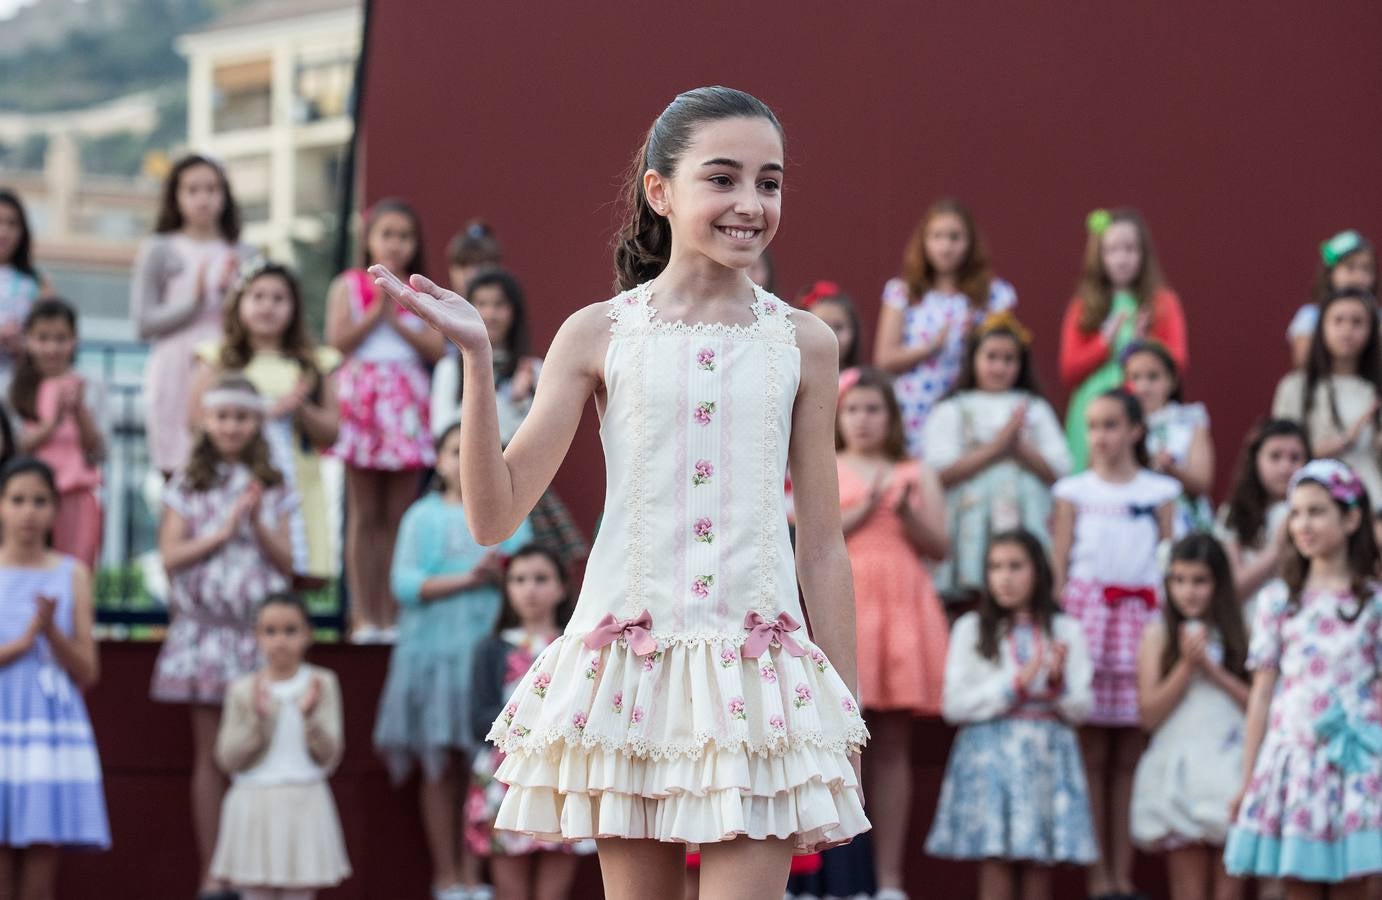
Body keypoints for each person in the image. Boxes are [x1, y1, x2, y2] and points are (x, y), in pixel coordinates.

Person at [371, 85, 868, 900]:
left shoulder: (805, 343)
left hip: (761, 682)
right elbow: (494, 518)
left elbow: (821, 543)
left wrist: (843, 708)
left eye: (769, 182)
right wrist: (476, 361)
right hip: (629, 675)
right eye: (724, 178)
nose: (751, 203)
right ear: (659, 191)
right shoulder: (598, 333)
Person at [150, 375, 296, 899]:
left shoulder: (272, 482)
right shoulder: (186, 483)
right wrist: (222, 529)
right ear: (206, 422)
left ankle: (252, 868)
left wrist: (256, 523)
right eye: (223, 416)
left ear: (257, 422)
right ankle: (214, 871)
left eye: (242, 416)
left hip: (255, 637)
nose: (232, 426)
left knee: (255, 751)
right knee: (210, 754)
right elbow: (170, 556)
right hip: (204, 634)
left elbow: (286, 561)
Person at [374, 422, 532, 900]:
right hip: (431, 659)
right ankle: (446, 876)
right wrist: (468, 578)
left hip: (488, 663)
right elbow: (404, 585)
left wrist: (499, 574)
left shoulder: (510, 512)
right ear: (439, 460)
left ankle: (474, 873)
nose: (461, 458)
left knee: (480, 766)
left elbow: (525, 571)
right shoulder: (420, 518)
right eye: (453, 450)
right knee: (439, 767)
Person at [1225, 459, 1382, 896]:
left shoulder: (1373, 603)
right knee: (1299, 883)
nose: (1303, 524)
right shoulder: (1278, 601)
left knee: (1357, 882)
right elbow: (1261, 695)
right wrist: (1248, 778)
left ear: (1351, 518)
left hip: (1357, 763)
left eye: (1317, 511)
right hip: (1295, 760)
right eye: (1295, 513)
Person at [1052, 389, 1179, 900]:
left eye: (1111, 425)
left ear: (1135, 430)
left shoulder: (1160, 491)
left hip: (1141, 625)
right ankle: (1097, 877)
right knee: (1091, 755)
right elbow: (1060, 564)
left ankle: (1123, 879)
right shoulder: (1073, 491)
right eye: (1093, 426)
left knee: (1128, 753)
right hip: (1088, 622)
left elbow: (1170, 562)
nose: (1100, 437)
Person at [925, 530, 1096, 900]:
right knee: (996, 857)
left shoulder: (1067, 630)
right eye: (995, 567)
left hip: (1047, 756)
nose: (1004, 577)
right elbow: (954, 705)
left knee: (1038, 861)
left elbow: (1082, 708)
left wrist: (1056, 685)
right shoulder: (971, 629)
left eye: (1015, 566)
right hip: (990, 759)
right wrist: (1012, 686)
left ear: (1038, 571)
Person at [835, 366, 948, 897]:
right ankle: (840, 875)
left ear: (893, 417)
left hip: (902, 606)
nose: (862, 419)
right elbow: (811, 536)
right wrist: (865, 506)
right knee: (839, 735)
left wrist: (906, 513)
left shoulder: (915, 470)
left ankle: (889, 880)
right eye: (853, 408)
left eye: (874, 409)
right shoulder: (825, 465)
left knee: (894, 742)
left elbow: (942, 546)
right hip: (847, 603)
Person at [326, 198, 445, 642]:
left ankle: (393, 616)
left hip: (405, 403)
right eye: (387, 234)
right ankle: (363, 615)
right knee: (363, 514)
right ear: (370, 238)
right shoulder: (348, 285)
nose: (395, 244)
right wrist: (376, 310)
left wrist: (396, 314)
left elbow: (435, 348)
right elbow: (338, 340)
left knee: (397, 514)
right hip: (363, 401)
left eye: (404, 236)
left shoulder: (420, 290)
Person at [187, 261, 341, 588]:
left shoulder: (313, 363)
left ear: (294, 307)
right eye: (258, 296)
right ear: (239, 303)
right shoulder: (217, 359)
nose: (267, 306)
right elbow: (196, 421)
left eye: (278, 298)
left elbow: (332, 432)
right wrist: (264, 413)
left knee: (291, 568)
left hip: (294, 481)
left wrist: (301, 408)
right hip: (233, 482)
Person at [0, 457, 109, 898]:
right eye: (18, 500)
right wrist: (23, 643)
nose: (29, 511)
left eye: (40, 501)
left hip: (49, 727)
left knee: (42, 849)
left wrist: (51, 634)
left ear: (56, 509)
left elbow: (89, 669)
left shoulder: (73, 574)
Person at [428, 270, 587, 569]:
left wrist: (518, 401)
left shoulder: (533, 369)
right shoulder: (450, 369)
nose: (490, 313)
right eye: (482, 303)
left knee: (527, 569)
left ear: (514, 312)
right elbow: (442, 427)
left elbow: (545, 437)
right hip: (465, 479)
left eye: (500, 304)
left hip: (518, 482)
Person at [468, 545, 593, 900]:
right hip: (503, 774)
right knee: (510, 890)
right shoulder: (491, 649)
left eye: (541, 579)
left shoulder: (579, 647)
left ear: (562, 588)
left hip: (560, 773)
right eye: (519, 580)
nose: (530, 589)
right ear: (507, 588)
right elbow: (477, 719)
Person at [1130, 534, 1250, 900]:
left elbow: (1260, 704)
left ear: (1218, 583)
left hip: (1231, 767)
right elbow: (1148, 714)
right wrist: (1185, 666)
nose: (1189, 592)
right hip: (1180, 773)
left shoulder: (1243, 633)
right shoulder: (1156, 636)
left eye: (1199, 581)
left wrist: (1214, 671)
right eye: (1179, 580)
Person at [210, 594, 350, 900]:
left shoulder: (322, 684)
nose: (280, 640)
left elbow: (330, 753)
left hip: (305, 801)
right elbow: (227, 758)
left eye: (290, 630)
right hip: (253, 803)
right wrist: (259, 721)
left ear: (307, 634)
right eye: (270, 631)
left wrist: (310, 718)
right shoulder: (242, 690)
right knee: (255, 891)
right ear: (257, 636)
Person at [923, 311, 1070, 594]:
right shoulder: (952, 408)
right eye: (991, 357)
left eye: (1008, 359)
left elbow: (1059, 472)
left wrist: (1020, 449)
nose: (1000, 367)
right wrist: (997, 448)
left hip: (1025, 518)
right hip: (967, 523)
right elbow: (937, 474)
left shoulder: (1034, 407)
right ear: (974, 359)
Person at [131, 154, 259, 477]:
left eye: (212, 189)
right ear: (176, 196)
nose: (203, 198)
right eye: (193, 190)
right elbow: (143, 323)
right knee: (177, 471)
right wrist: (197, 300)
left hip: (228, 365)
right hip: (175, 367)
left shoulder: (245, 254)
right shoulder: (159, 248)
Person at [874, 199, 1018, 456]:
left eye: (955, 237)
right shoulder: (904, 292)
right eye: (937, 236)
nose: (946, 246)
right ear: (924, 242)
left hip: (967, 405)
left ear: (970, 243)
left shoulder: (993, 295)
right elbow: (884, 358)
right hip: (913, 408)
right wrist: (931, 347)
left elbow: (1005, 351)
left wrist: (976, 337)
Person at [1059, 208, 1187, 472]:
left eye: (1130, 249)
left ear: (1143, 254)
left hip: (1143, 406)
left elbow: (1177, 360)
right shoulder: (1084, 305)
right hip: (1092, 407)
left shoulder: (1162, 302)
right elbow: (1068, 369)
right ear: (1099, 256)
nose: (1122, 259)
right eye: (1112, 250)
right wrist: (1104, 344)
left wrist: (1143, 349)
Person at [10, 300, 105, 568]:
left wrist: (79, 413)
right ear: (28, 340)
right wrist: (52, 424)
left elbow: (98, 451)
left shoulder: (91, 385)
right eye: (42, 338)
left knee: (74, 575)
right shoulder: (12, 388)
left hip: (76, 497)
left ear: (74, 340)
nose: (52, 348)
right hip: (26, 501)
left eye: (61, 338)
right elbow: (12, 448)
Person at [1272, 287, 1382, 509]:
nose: (1347, 330)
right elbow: (1280, 453)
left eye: (1357, 322)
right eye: (1338, 320)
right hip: (1312, 501)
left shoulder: (1373, 390)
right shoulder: (1296, 387)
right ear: (1321, 327)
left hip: (1372, 502)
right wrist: (1344, 441)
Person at [1215, 419, 1310, 627]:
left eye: (1295, 457)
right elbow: (1232, 590)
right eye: (1275, 456)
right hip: (1248, 626)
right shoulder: (1232, 514)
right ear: (1255, 459)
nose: (1285, 467)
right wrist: (1277, 548)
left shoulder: (1317, 516)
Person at [1122, 340, 1215, 536]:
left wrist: (1170, 468)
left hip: (1183, 522)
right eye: (1135, 378)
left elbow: (1201, 482)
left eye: (1153, 377)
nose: (1143, 387)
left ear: (1171, 380)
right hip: (1136, 523)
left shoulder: (1190, 420)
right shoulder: (1120, 425)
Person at [1286, 230, 1377, 369]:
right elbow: (1303, 361)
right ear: (1330, 273)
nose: (1360, 276)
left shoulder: (1378, 316)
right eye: (1350, 268)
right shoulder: (1310, 315)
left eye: (1366, 269)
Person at [0, 189, 54, 397]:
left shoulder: (37, 282)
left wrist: (24, 345)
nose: (4, 231)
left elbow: (54, 336)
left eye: (12, 223)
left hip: (20, 392)